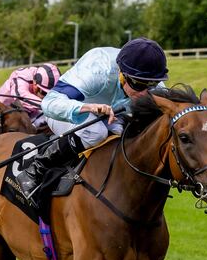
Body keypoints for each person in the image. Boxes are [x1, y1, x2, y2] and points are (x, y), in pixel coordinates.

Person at [16, 38, 168, 200]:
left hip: (110, 117)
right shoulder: (97, 70)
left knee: (128, 134)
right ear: (122, 74)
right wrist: (89, 107)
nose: (146, 93)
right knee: (95, 131)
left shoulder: (153, 85)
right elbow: (50, 103)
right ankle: (36, 168)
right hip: (68, 112)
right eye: (139, 84)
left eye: (152, 84)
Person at [0, 63, 60, 128]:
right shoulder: (21, 79)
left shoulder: (42, 77)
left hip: (27, 109)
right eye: (44, 93)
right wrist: (50, 105)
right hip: (5, 106)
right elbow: (21, 97)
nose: (47, 97)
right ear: (35, 84)